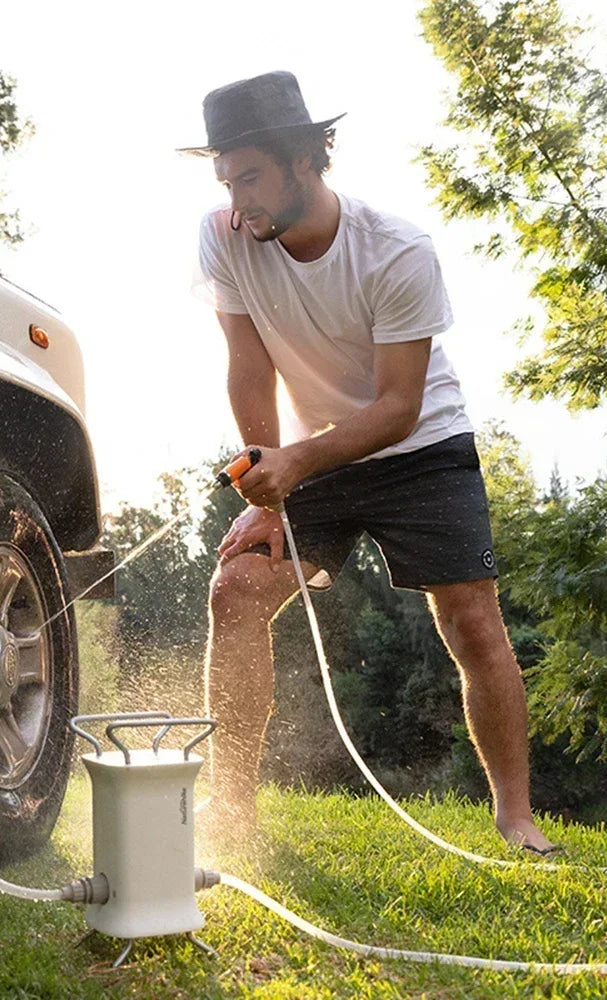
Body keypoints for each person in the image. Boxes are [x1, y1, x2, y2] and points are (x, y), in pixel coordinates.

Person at [180, 70, 555, 854]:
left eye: (250, 176)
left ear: (306, 159)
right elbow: (248, 367)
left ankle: (516, 819)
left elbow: (397, 408)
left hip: (421, 448)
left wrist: (298, 460)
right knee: (237, 588)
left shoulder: (396, 252)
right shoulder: (224, 237)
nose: (237, 198)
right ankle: (233, 808)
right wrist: (266, 482)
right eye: (227, 178)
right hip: (315, 457)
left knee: (471, 622)